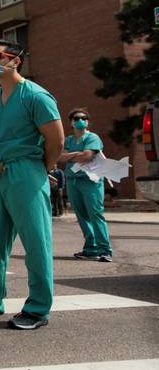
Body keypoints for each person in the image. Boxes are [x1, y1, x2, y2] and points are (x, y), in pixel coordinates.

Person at [0, 40, 63, 330]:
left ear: (15, 61)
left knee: (35, 241)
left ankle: (38, 308)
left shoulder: (36, 96)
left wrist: (45, 168)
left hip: (27, 169)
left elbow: (56, 139)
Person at [59, 108, 113, 262]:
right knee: (81, 216)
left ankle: (105, 250)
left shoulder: (93, 138)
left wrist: (72, 155)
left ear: (87, 121)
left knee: (95, 214)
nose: (80, 120)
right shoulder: (68, 140)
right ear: (71, 122)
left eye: (83, 118)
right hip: (72, 181)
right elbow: (60, 156)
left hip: (91, 181)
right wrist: (77, 155)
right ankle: (90, 249)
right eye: (76, 118)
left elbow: (87, 156)